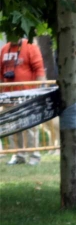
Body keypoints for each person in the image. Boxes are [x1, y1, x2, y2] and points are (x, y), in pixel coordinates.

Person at [0, 35, 46, 165]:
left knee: (30, 125)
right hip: (9, 96)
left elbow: (39, 70)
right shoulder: (4, 49)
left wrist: (38, 92)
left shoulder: (30, 46)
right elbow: (0, 72)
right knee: (12, 127)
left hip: (27, 93)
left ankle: (34, 155)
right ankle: (18, 155)